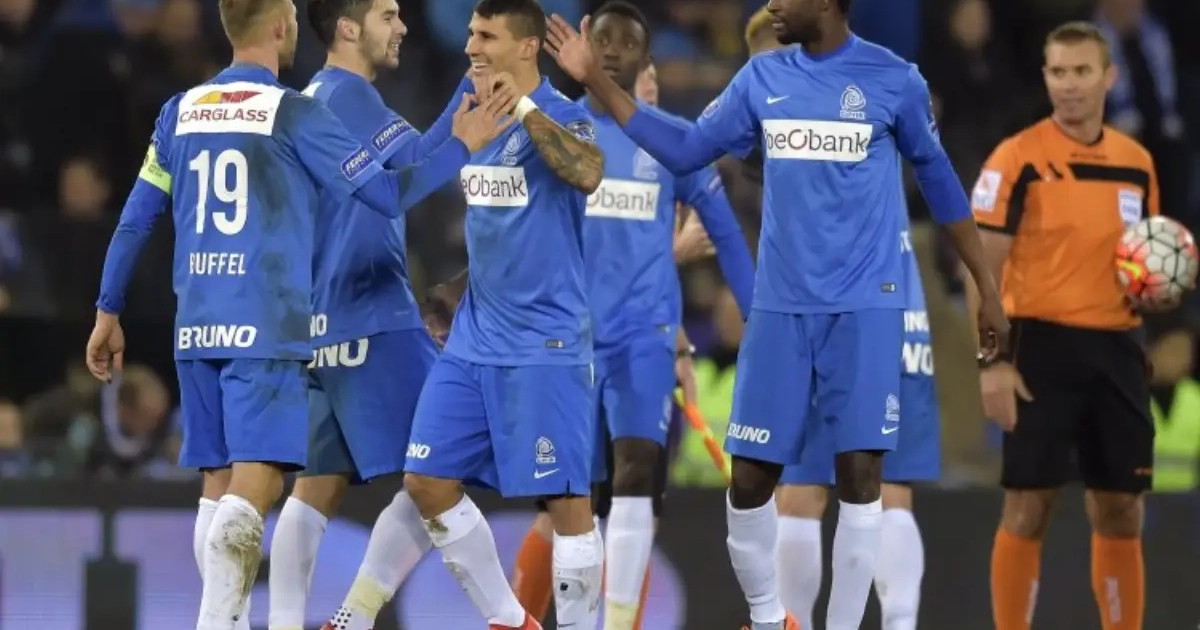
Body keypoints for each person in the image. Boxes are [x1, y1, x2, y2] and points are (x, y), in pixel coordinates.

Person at [543, 0, 1010, 628]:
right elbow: (686, 149)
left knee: (861, 477)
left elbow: (941, 180)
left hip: (865, 308)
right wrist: (597, 83)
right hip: (781, 309)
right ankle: (769, 617)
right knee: (749, 482)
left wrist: (985, 284)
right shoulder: (760, 78)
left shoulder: (894, 79)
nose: (772, 5)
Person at [83, 0, 510, 625]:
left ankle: (236, 620)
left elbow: (136, 217)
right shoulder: (294, 113)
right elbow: (387, 192)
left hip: (195, 328)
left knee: (218, 491)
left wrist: (107, 308)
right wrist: (464, 145)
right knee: (259, 487)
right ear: (282, 27)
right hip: (267, 326)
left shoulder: (180, 110)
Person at [508, 4, 755, 630]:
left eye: (629, 42)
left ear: (648, 59)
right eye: (605, 39)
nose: (615, 50)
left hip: (643, 339)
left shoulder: (673, 142)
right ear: (582, 45)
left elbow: (726, 234)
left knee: (637, 471)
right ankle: (523, 619)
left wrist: (760, 319)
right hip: (569, 344)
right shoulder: (554, 133)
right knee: (568, 504)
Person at [265, 1, 498, 629]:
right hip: (373, 317)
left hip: (318, 326)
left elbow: (413, 153)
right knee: (446, 462)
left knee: (314, 489)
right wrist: (468, 137)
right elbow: (405, 188)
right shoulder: (350, 97)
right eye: (388, 16)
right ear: (349, 28)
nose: (402, 28)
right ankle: (358, 616)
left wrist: (468, 86)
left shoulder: (321, 99)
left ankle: (287, 623)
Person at [399, 0, 607, 628]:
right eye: (469, 33)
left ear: (527, 47)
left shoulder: (563, 116)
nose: (471, 46)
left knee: (566, 504)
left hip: (546, 343)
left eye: (486, 35)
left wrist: (522, 108)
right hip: (473, 340)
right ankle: (512, 620)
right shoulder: (470, 109)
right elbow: (424, 173)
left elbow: (588, 173)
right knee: (426, 481)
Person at [737, 9, 939, 630]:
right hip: (833, 301)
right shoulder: (780, 113)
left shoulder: (860, 84)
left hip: (866, 300)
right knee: (814, 487)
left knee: (873, 482)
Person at [969, 22, 1161, 630]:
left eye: (1082, 71)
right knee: (1028, 506)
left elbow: (1146, 261)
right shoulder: (1016, 157)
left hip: (1117, 347)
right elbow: (982, 269)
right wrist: (993, 362)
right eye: (1058, 72)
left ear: (1109, 77)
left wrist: (1160, 296)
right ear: (1046, 78)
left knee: (1122, 508)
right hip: (1038, 346)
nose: (1069, 85)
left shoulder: (1137, 165)